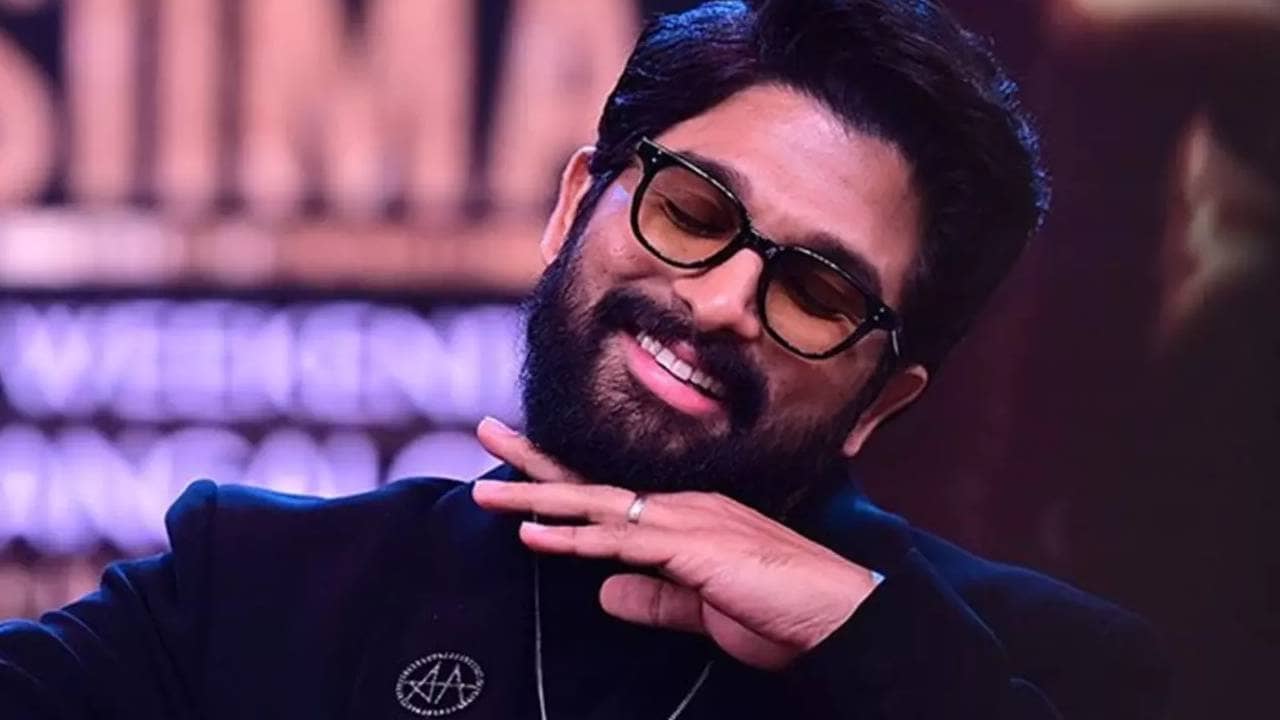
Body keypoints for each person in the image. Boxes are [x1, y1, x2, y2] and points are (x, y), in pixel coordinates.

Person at [0, 1, 1168, 718]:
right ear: (572, 207)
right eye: (694, 211)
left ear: (881, 398)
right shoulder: (253, 588)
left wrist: (873, 647)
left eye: (816, 290)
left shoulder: (1045, 667)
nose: (720, 303)